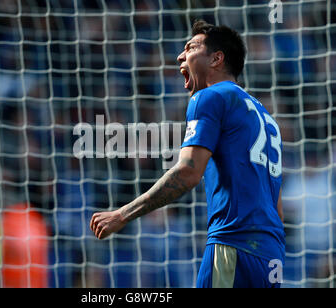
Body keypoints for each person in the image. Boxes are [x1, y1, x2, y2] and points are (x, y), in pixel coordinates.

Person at [90, 20, 285, 288]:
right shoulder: (267, 119)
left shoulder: (209, 97)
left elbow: (189, 172)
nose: (181, 56)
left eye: (191, 47)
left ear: (217, 59)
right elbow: (277, 206)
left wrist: (122, 214)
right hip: (272, 257)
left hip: (232, 247)